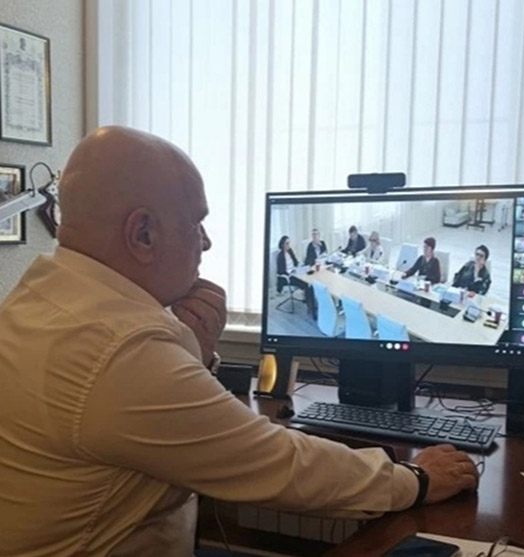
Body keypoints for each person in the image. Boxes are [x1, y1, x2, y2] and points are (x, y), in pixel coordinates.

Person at [0, 127, 478, 555]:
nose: (206, 242)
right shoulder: (120, 348)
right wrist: (415, 479)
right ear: (142, 233)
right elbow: (280, 465)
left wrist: (196, 353)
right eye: (196, 223)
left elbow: (160, 427)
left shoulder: (40, 298)